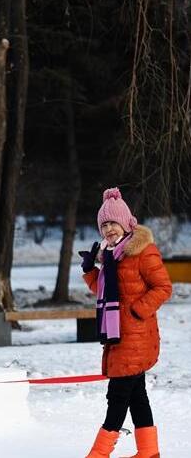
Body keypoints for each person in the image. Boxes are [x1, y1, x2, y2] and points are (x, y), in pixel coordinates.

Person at [81, 188, 172, 458]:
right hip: (119, 336)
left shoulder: (143, 251)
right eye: (104, 225)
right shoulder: (111, 256)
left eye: (113, 223)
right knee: (136, 395)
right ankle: (149, 452)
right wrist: (90, 271)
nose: (109, 229)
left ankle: (99, 454)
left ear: (125, 223)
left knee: (118, 397)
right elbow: (104, 291)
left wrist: (136, 311)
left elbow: (163, 287)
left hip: (136, 336)